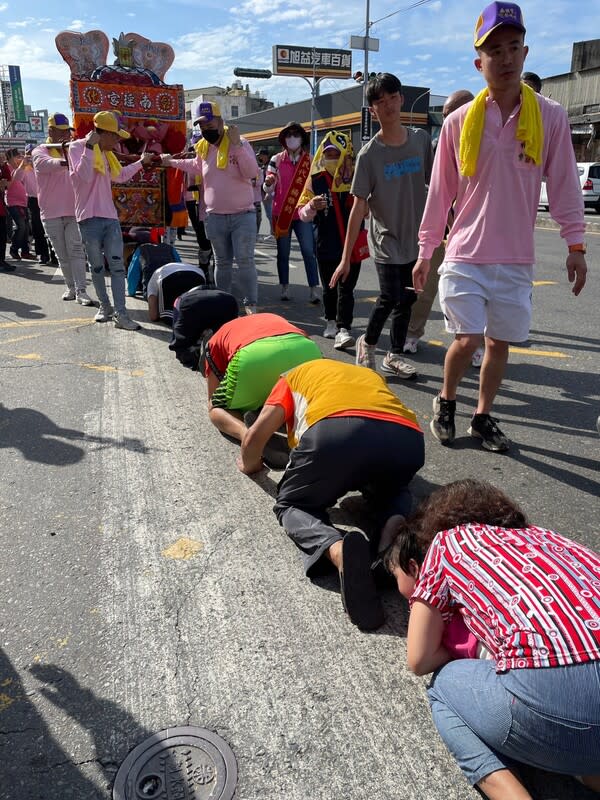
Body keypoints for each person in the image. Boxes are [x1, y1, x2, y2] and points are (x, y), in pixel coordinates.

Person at [414, 2, 587, 452]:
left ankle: (482, 416)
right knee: (467, 339)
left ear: (526, 54)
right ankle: (447, 399)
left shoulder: (549, 116)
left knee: (498, 343)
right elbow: (440, 193)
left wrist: (576, 244)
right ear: (479, 62)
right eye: (495, 50)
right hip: (466, 253)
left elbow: (566, 182)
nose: (505, 58)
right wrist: (426, 249)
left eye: (513, 47)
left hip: (515, 256)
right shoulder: (457, 123)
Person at [384, 478, 600, 800]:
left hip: (561, 705)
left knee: (442, 687)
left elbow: (419, 659)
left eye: (395, 575)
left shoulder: (446, 543)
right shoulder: (549, 538)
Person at [238, 358, 425, 631]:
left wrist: (249, 464)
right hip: (406, 438)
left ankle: (338, 550)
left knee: (292, 505)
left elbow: (255, 435)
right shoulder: (367, 375)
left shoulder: (290, 376)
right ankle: (391, 532)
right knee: (392, 490)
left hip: (334, 433)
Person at [330, 73, 434, 379]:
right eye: (379, 101)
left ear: (401, 99)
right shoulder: (369, 155)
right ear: (372, 110)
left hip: (415, 237)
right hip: (385, 238)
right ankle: (369, 341)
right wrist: (345, 257)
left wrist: (447, 219)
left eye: (392, 98)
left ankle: (394, 355)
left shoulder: (420, 141)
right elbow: (359, 206)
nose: (387, 105)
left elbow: (435, 186)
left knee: (409, 297)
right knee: (390, 296)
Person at [161, 102, 259, 314]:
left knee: (245, 261)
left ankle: (251, 304)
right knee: (222, 263)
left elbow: (251, 172)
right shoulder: (203, 149)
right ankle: (223, 304)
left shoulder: (239, 142)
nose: (206, 129)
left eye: (209, 123)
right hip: (215, 217)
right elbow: (195, 166)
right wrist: (172, 163)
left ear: (220, 121)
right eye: (202, 126)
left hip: (243, 215)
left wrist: (238, 147)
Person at [403, 91, 476, 359]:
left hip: (472, 233)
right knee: (426, 286)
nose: (448, 120)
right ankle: (412, 333)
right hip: (441, 230)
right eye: (445, 116)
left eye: (452, 114)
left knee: (472, 295)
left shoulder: (484, 137)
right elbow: (434, 190)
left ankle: (476, 345)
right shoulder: (437, 142)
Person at [68, 111, 154, 330]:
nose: (118, 140)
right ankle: (105, 307)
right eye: (115, 136)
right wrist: (89, 147)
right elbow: (83, 177)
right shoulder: (78, 148)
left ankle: (121, 314)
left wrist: (141, 163)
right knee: (96, 267)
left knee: (117, 267)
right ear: (103, 133)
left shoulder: (108, 154)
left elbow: (120, 176)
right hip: (88, 219)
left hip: (110, 218)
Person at [204, 313, 321, 443]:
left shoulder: (215, 339)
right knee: (305, 402)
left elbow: (212, 393)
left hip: (255, 356)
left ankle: (249, 436)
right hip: (306, 349)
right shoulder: (271, 316)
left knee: (215, 407)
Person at [298, 130, 362, 350]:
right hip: (325, 241)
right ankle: (331, 321)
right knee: (329, 286)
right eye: (328, 153)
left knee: (348, 288)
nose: (331, 158)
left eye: (336, 153)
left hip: (351, 243)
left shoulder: (356, 177)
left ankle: (344, 328)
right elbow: (301, 213)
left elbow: (370, 210)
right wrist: (311, 206)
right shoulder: (315, 180)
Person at [32, 113, 94, 305]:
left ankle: (82, 291)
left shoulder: (73, 148)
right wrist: (66, 162)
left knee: (76, 251)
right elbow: (44, 165)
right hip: (50, 213)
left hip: (74, 210)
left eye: (66, 131)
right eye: (59, 132)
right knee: (62, 255)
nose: (64, 135)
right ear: (50, 130)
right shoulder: (40, 150)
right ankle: (71, 287)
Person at [263, 122, 320, 303]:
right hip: (283, 213)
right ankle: (284, 287)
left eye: (296, 135)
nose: (292, 138)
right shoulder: (276, 159)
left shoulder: (310, 160)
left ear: (302, 138)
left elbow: (317, 185)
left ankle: (313, 289)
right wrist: (269, 183)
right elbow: (267, 189)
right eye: (288, 135)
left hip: (304, 213)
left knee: (308, 251)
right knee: (283, 252)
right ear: (284, 140)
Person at [169, 288, 239, 371]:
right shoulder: (224, 295)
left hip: (192, 303)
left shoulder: (180, 300)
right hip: (227, 301)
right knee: (226, 336)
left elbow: (178, 341)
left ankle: (198, 360)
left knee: (181, 345)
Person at [21, 144, 50, 265]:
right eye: (29, 154)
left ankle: (54, 254)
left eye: (33, 153)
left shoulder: (44, 165)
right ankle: (42, 254)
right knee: (37, 228)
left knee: (50, 227)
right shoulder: (24, 169)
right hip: (33, 200)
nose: (31, 156)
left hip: (48, 198)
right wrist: (22, 165)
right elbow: (16, 179)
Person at [5, 149, 35, 261]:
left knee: (26, 228)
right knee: (21, 226)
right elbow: (11, 180)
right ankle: (14, 249)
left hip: (23, 201)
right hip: (13, 202)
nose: (20, 158)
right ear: (10, 159)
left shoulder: (23, 167)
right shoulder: (7, 168)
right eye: (17, 156)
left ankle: (25, 251)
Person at [0, 154, 14, 271]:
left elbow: (8, 183)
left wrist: (3, 166)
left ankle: (1, 260)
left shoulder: (3, 167)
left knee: (2, 235)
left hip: (1, 208)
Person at [256, 148, 273, 238]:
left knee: (270, 214)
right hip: (263, 193)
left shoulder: (270, 166)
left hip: (268, 193)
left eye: (261, 156)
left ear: (266, 156)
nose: (260, 157)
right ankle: (272, 232)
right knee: (268, 214)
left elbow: (272, 181)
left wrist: (269, 193)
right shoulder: (264, 166)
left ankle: (273, 233)